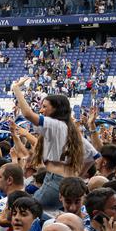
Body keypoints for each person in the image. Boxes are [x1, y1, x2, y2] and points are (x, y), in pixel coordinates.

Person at [12, 78, 97, 211]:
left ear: (56, 109)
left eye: (45, 107)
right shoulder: (69, 128)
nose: (41, 110)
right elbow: (93, 155)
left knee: (25, 210)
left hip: (54, 182)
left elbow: (28, 114)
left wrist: (16, 89)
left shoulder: (55, 124)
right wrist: (77, 176)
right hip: (61, 181)